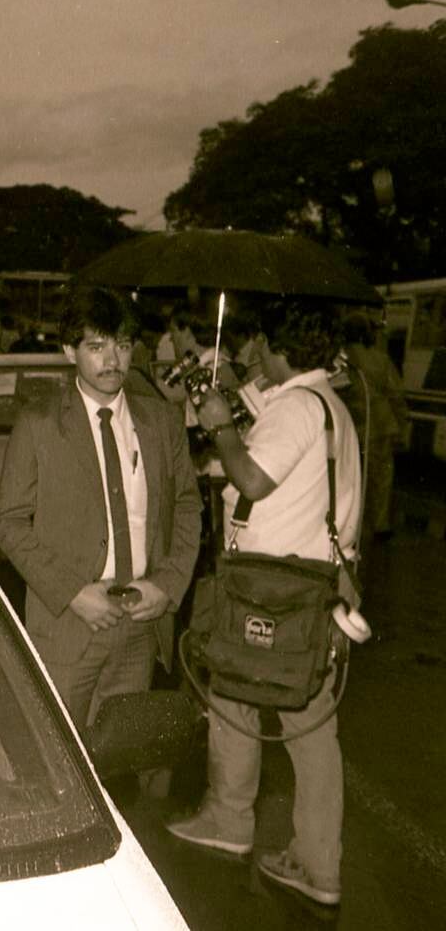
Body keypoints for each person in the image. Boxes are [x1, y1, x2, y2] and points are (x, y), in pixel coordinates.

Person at [167, 299, 361, 908]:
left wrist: (222, 424)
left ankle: (232, 822)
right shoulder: (328, 405)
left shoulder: (298, 408)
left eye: (259, 346)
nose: (254, 355)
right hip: (317, 579)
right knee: (302, 718)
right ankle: (315, 861)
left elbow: (252, 480)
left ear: (279, 348)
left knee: (236, 694)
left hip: (274, 586)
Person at [0, 287, 201, 728]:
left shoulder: (161, 421)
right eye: (97, 346)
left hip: (141, 623)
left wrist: (167, 584)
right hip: (70, 623)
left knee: (119, 760)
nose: (112, 361)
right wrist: (72, 592)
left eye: (122, 346)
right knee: (62, 758)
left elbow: (186, 507)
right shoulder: (40, 423)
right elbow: (9, 523)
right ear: (70, 350)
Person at [341, 312, 408, 542]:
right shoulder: (381, 359)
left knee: (350, 477)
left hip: (350, 425)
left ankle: (351, 525)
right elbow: (396, 394)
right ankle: (380, 525)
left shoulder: (341, 360)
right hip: (379, 425)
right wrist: (401, 423)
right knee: (381, 477)